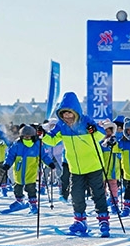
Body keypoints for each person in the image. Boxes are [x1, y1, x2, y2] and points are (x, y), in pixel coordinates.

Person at [41, 92, 111, 237]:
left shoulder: (86, 121)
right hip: (76, 168)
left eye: (70, 114)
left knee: (98, 194)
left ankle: (103, 220)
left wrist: (94, 130)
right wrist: (43, 135)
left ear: (76, 112)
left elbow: (100, 134)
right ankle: (80, 221)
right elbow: (53, 140)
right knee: (76, 195)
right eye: (64, 114)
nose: (67, 117)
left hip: (93, 165)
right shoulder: (61, 126)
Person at [2, 125, 55, 214]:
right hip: (19, 171)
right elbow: (10, 155)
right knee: (17, 188)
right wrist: (7, 164)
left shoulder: (37, 145)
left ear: (33, 137)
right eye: (25, 137)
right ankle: (19, 201)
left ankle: (33, 204)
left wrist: (50, 163)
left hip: (31, 171)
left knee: (31, 189)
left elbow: (44, 156)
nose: (27, 138)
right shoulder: (17, 144)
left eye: (29, 137)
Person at [99, 119, 122, 214]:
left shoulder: (115, 141)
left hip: (113, 167)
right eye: (105, 131)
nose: (107, 133)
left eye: (109, 131)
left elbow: (120, 151)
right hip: (102, 168)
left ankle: (114, 203)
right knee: (102, 187)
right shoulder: (99, 143)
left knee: (113, 186)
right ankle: (103, 204)